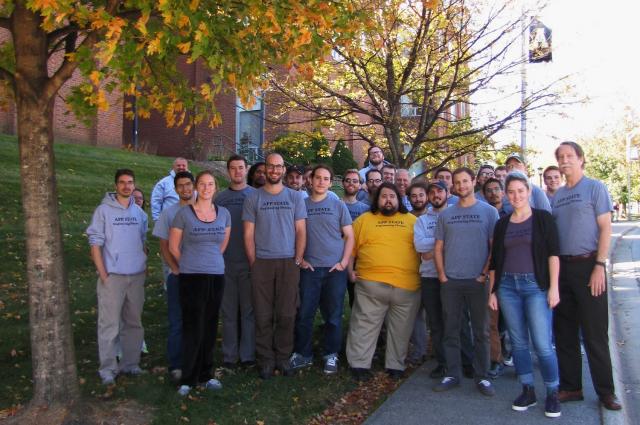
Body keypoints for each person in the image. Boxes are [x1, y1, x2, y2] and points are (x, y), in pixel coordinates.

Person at [551, 141, 621, 411]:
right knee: (565, 332)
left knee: (594, 333)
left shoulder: (595, 188)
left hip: (589, 265)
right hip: (563, 269)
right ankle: (571, 387)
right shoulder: (557, 196)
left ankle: (606, 392)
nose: (564, 160)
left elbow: (605, 228)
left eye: (569, 155)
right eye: (560, 157)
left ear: (581, 159)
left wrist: (600, 265)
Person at [488, 172, 561, 418]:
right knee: (518, 343)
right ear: (506, 195)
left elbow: (553, 254)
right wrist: (493, 291)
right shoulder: (502, 223)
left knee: (542, 344)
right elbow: (495, 261)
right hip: (508, 287)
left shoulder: (543, 219)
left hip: (535, 287)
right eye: (511, 192)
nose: (516, 196)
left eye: (521, 190)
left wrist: (554, 287)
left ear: (529, 192)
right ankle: (527, 389)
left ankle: (552, 392)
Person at [433, 167, 499, 396]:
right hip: (451, 281)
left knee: (481, 331)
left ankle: (483, 377)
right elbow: (438, 247)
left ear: (473, 182)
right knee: (451, 329)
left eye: (465, 181)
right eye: (457, 182)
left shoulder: (489, 212)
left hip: (478, 281)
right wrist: (442, 275)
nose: (461, 186)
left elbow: (494, 248)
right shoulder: (445, 215)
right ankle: (452, 374)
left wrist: (483, 273)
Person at [346, 182, 420, 381]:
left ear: (399, 199)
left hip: (406, 286)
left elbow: (424, 251)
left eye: (392, 196)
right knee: (364, 325)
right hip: (371, 284)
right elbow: (350, 248)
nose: (388, 200)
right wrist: (349, 271)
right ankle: (359, 364)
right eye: (384, 196)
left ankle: (395, 365)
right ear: (377, 199)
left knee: (401, 329)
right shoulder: (364, 220)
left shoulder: (412, 221)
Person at [243, 152, 307, 379]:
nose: (274, 171)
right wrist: (254, 261)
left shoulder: (295, 197)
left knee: (287, 313)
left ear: (283, 170)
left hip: (289, 262)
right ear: (265, 169)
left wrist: (298, 259)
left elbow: (301, 230)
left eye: (279, 167)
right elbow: (248, 234)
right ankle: (266, 360)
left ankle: (283, 357)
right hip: (262, 262)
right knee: (262, 314)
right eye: (270, 167)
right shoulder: (253, 197)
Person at [169, 170, 231, 396]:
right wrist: (190, 263)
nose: (206, 188)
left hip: (215, 275)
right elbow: (174, 247)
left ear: (215, 188)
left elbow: (222, 244)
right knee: (192, 326)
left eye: (211, 184)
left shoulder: (223, 213)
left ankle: (206, 374)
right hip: (191, 276)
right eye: (202, 184)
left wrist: (210, 261)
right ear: (196, 187)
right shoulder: (184, 214)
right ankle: (188, 377)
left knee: (210, 325)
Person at [290, 165, 354, 374]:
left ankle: (331, 355)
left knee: (333, 316)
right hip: (309, 269)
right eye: (318, 178)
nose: (321, 182)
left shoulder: (338, 205)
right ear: (311, 180)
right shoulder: (301, 204)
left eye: (326, 179)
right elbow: (294, 234)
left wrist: (344, 262)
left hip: (334, 270)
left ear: (330, 182)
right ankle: (303, 354)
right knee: (305, 314)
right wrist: (299, 259)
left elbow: (350, 236)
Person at [87, 169, 148, 385]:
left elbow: (143, 243)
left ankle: (131, 364)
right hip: (113, 276)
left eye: (130, 182)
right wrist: (103, 273)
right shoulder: (103, 211)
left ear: (134, 185)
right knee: (109, 324)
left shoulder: (140, 214)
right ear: (116, 186)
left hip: (136, 276)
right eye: (122, 183)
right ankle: (108, 369)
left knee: (134, 323)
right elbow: (95, 243)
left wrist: (143, 268)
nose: (126, 186)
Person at [152, 170, 195, 382]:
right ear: (176, 189)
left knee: (197, 320)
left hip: (200, 276)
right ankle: (177, 364)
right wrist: (174, 268)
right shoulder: (169, 214)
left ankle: (195, 361)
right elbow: (164, 246)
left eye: (189, 184)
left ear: (193, 186)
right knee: (177, 321)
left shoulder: (203, 210)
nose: (185, 189)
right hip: (178, 276)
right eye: (181, 186)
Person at [215, 155, 257, 369]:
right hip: (225, 263)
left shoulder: (256, 196)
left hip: (250, 261)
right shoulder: (219, 199)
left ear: (246, 169)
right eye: (233, 168)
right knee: (229, 312)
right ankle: (230, 356)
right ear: (228, 171)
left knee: (249, 311)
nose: (237, 172)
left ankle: (248, 355)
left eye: (241, 168)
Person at [414, 180, 450, 379]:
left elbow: (459, 241)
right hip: (429, 276)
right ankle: (442, 362)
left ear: (447, 193)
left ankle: (462, 360)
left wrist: (433, 249)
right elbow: (420, 246)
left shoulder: (454, 214)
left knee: (455, 321)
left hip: (452, 275)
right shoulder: (422, 220)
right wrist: (445, 242)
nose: (436, 195)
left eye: (440, 191)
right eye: (432, 192)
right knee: (435, 322)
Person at [151, 157, 189, 221]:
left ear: (187, 167)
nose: (181, 167)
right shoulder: (164, 183)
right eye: (178, 165)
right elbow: (156, 202)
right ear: (173, 167)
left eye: (183, 165)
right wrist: (157, 220)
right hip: (169, 222)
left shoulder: (194, 183)